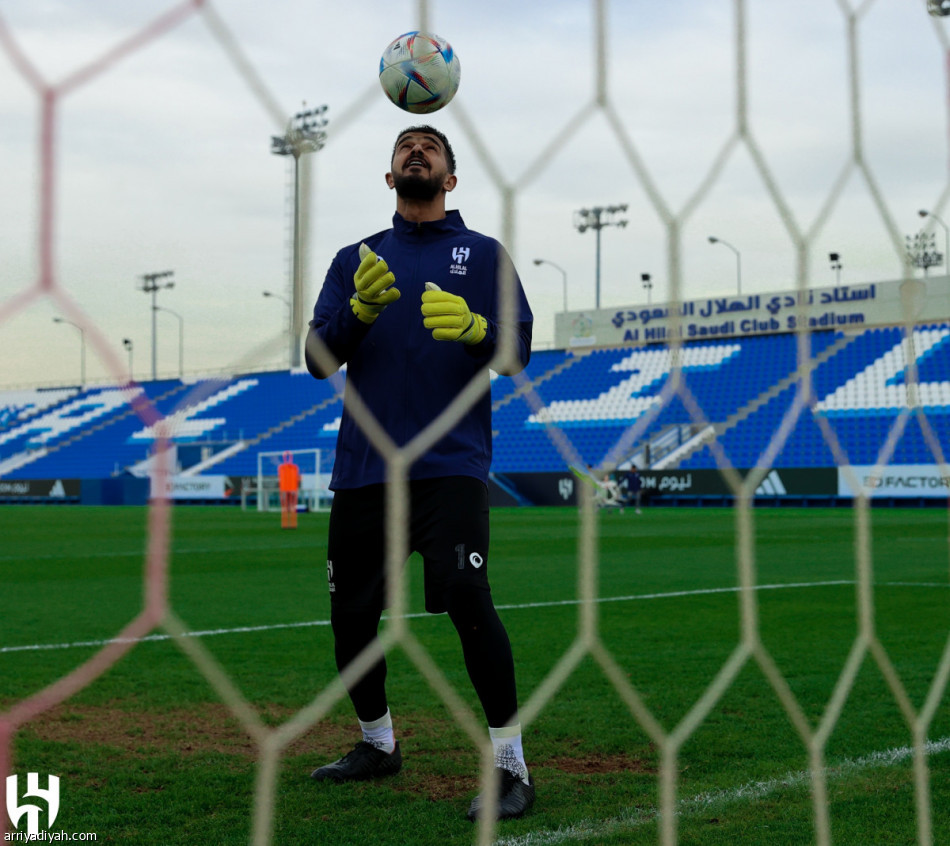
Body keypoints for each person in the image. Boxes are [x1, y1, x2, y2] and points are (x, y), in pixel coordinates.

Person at [304, 125, 535, 822]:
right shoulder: (357, 258)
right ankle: (378, 744)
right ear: (389, 176)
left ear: (451, 179)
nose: (417, 151)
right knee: (350, 617)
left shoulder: (484, 254)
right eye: (406, 145)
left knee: (467, 594)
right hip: (365, 470)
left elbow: (518, 352)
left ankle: (510, 766)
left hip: (449, 466)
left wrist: (477, 330)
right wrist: (358, 313)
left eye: (430, 146)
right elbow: (317, 359)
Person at [277, 451, 300, 529]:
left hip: (291, 488)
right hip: (285, 489)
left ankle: (292, 524)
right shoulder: (282, 468)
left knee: (291, 506)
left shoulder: (294, 468)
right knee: (286, 506)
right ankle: (285, 524)